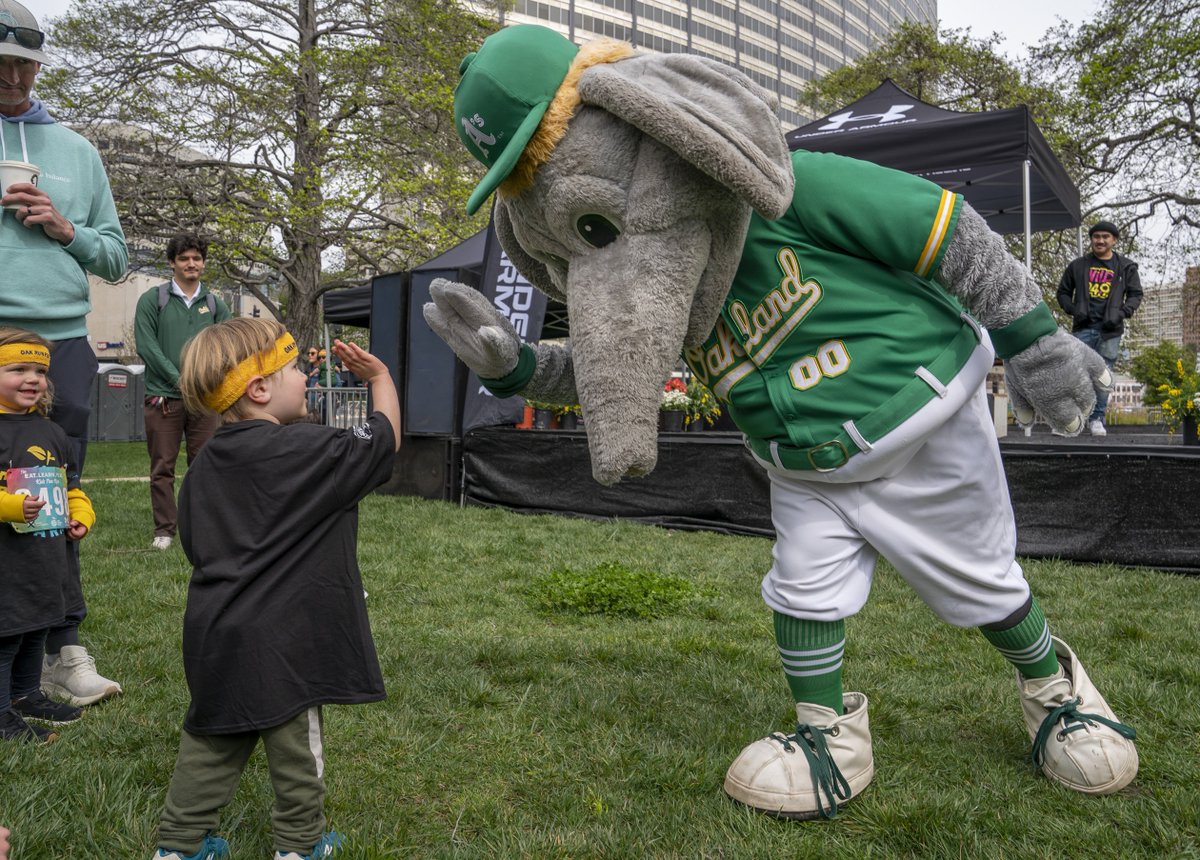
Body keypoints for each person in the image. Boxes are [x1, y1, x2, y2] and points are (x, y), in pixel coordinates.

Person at [150, 318, 400, 860]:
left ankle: (178, 845)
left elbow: (197, 544)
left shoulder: (204, 467)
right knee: (295, 751)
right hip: (289, 641)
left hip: (217, 632)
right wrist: (380, 378)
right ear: (259, 388)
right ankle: (299, 844)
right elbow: (383, 443)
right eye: (293, 368)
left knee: (212, 739)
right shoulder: (309, 448)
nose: (306, 376)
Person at [0, 0, 127, 706]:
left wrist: (64, 228)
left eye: (26, 64)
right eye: (2, 63)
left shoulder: (77, 151)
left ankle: (58, 647)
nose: (14, 77)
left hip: (59, 344)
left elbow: (115, 257)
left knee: (49, 497)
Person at [0, 327, 95, 744]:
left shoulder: (53, 432)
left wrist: (81, 515)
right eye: (18, 368)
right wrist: (12, 507)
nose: (32, 378)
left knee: (36, 628)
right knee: (6, 637)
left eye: (40, 370)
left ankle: (25, 695)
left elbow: (71, 487)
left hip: (44, 559)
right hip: (6, 561)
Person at [134, 232, 232, 550]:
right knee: (162, 466)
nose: (191, 264)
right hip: (164, 396)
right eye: (184, 258)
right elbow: (147, 346)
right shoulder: (153, 300)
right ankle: (164, 530)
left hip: (205, 399)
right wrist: (180, 380)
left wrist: (205, 379)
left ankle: (204, 527)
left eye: (196, 258)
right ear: (172, 263)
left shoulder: (217, 304)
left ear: (203, 263)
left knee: (205, 465)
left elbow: (228, 347)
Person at [1056, 220, 1143, 436]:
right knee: (1075, 375)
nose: (1100, 240)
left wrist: (1122, 313)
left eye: (1105, 237)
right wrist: (1073, 309)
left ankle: (1097, 419)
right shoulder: (1078, 266)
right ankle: (1069, 420)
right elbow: (1063, 292)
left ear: (1113, 240)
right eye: (1096, 236)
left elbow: (1135, 294)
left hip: (1110, 331)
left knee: (1104, 377)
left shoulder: (1125, 267)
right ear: (1091, 240)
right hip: (1083, 328)